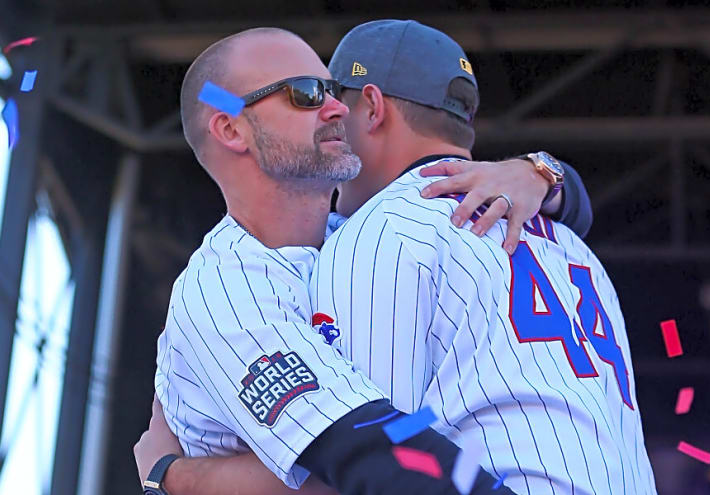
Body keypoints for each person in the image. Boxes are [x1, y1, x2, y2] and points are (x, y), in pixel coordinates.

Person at [136, 21, 619, 495]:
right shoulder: (224, 289)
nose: (334, 108)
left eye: (332, 90)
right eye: (306, 93)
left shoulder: (363, 236)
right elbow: (367, 463)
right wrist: (166, 478)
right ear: (230, 128)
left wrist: (543, 175)